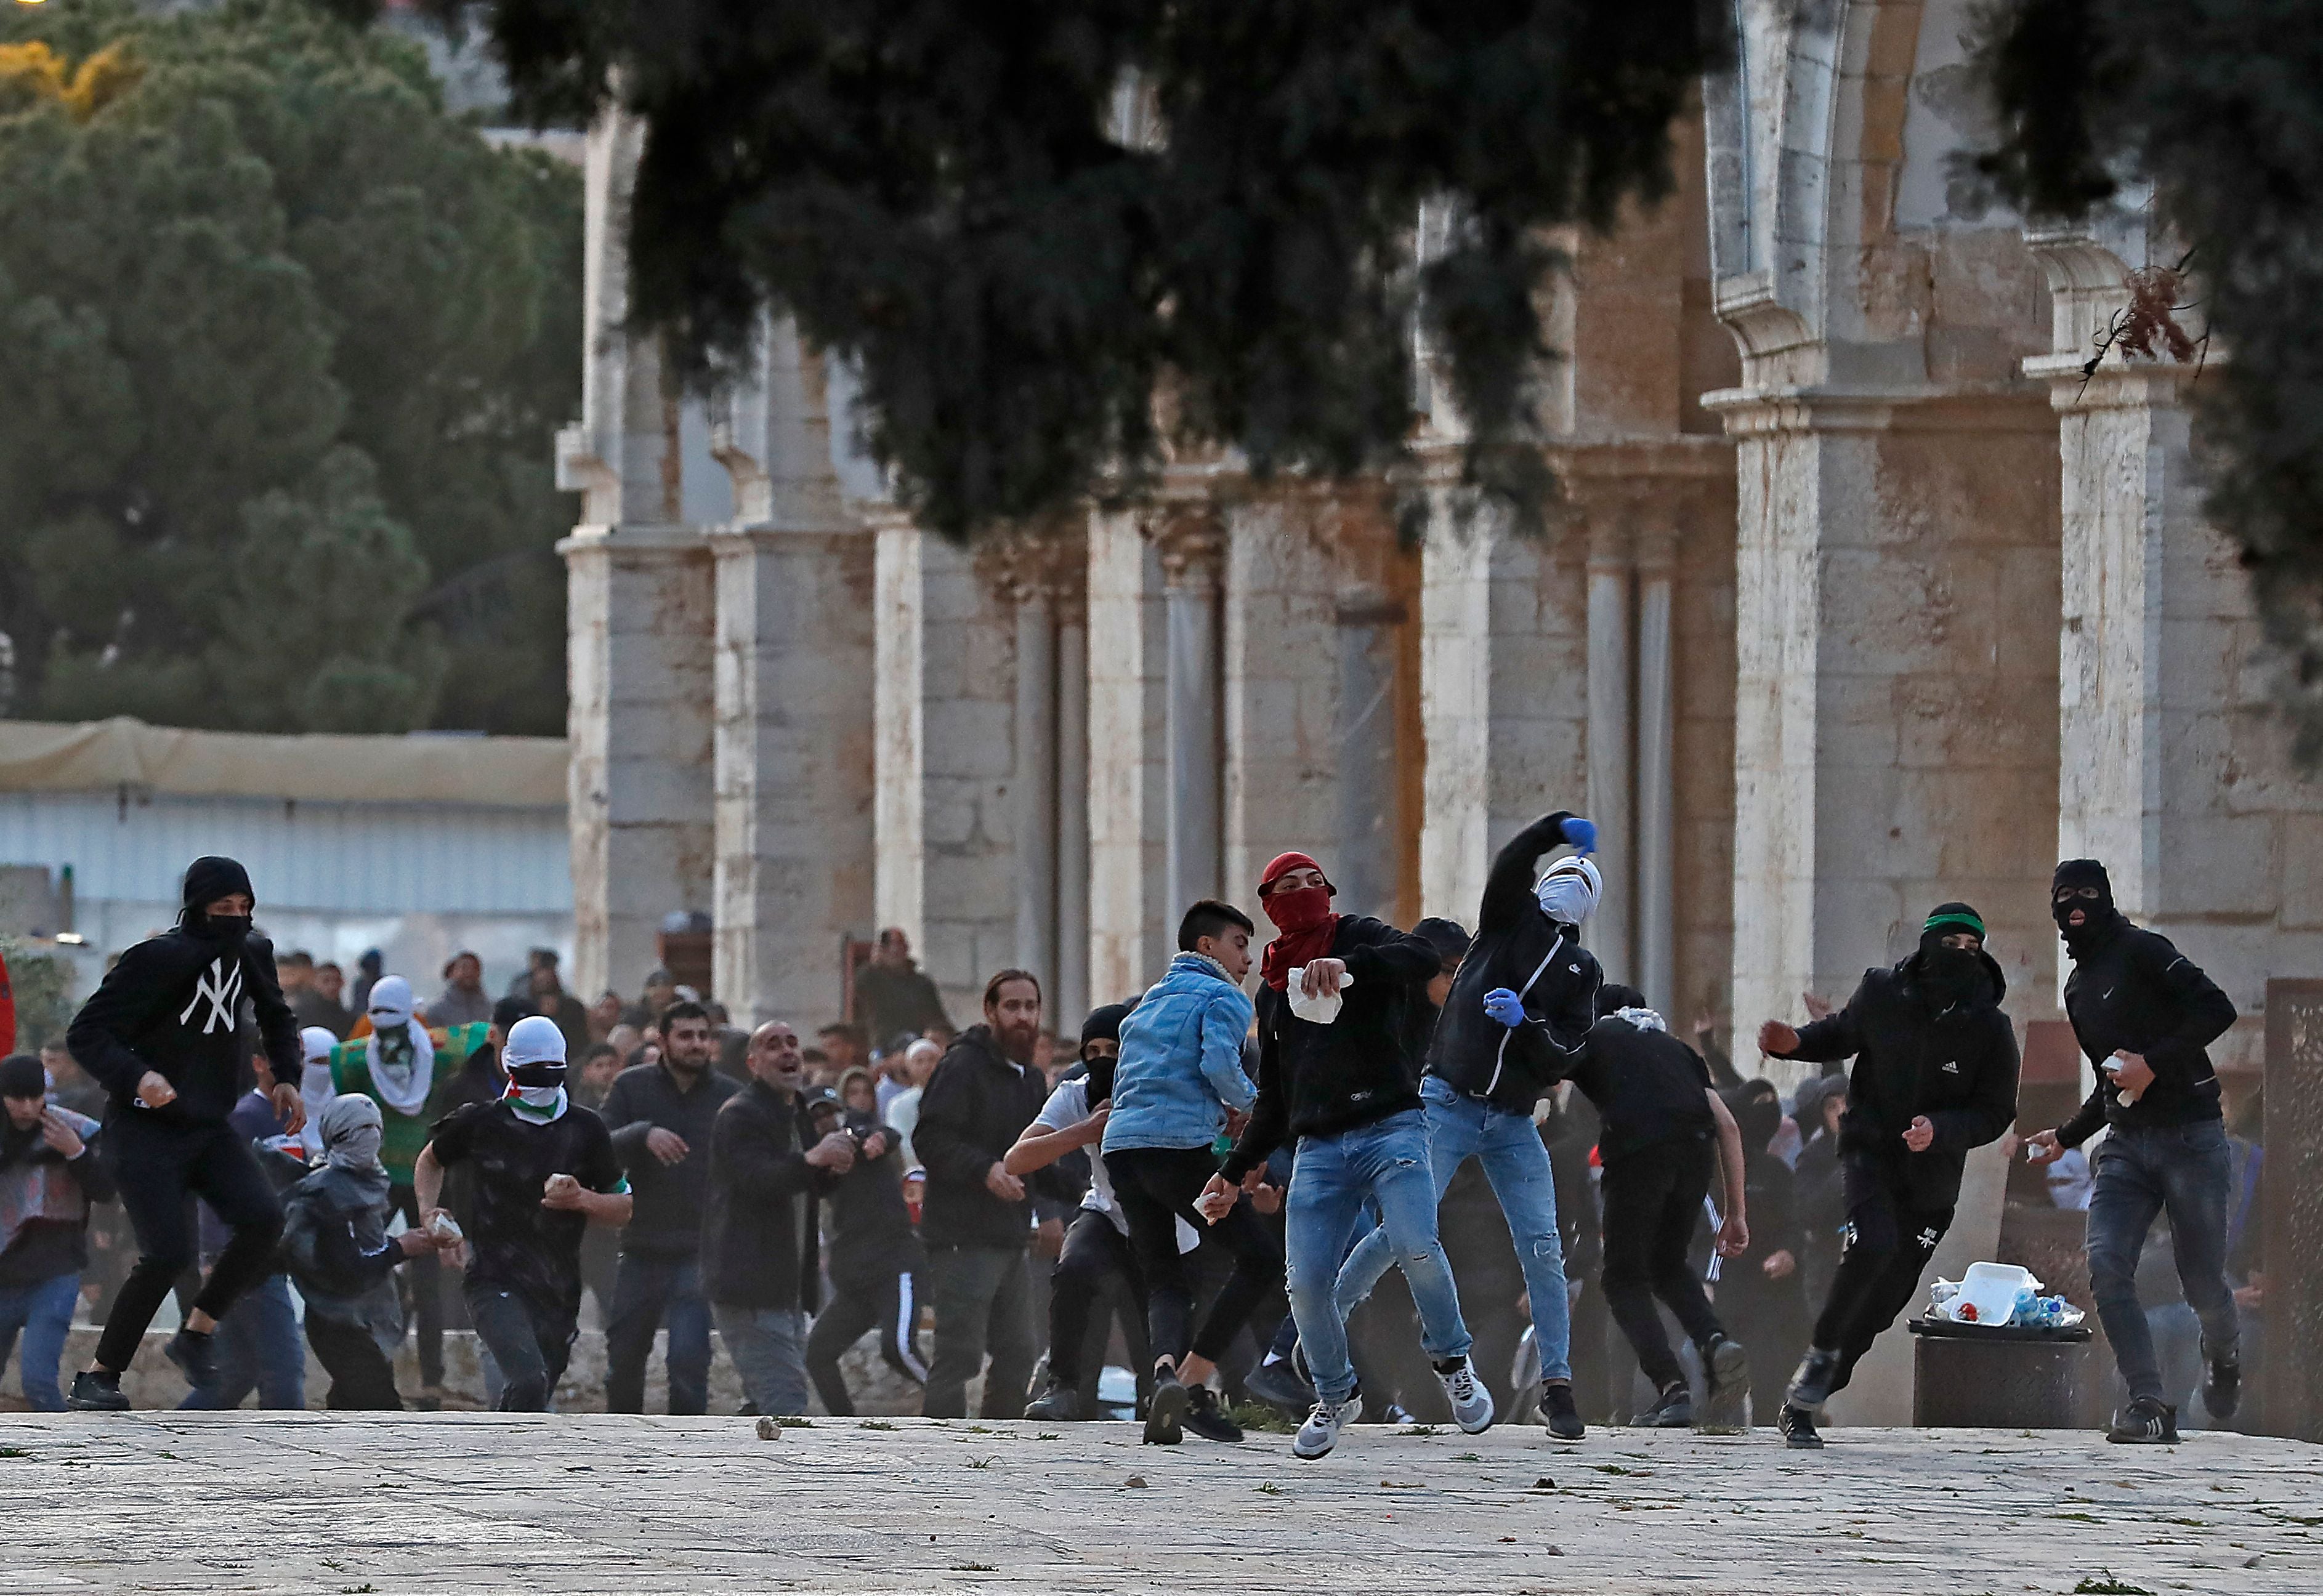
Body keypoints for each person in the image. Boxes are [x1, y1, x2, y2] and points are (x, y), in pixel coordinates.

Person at [1210, 852, 1487, 1460]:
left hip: (1392, 1126)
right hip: (1320, 1147)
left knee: (1416, 1244)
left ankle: (1452, 1362)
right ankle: (1335, 1396)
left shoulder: (1357, 934)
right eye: (1291, 885)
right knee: (1306, 1286)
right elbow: (1274, 1099)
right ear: (1270, 902)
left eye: (1315, 882)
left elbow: (1416, 957)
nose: (1305, 891)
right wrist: (1230, 1173)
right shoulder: (1273, 992)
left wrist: (1348, 965)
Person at [1338, 812, 1603, 1441]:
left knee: (1542, 1245)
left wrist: (1526, 1024)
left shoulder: (1580, 972)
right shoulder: (1507, 919)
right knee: (1402, 1225)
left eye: (1583, 884)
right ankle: (1323, 1322)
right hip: (1450, 1101)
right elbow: (1509, 864)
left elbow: (1568, 1049)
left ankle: (1557, 1387)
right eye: (1565, 875)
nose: (1571, 886)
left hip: (1512, 1119)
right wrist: (1551, 833)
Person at [1758, 901, 2019, 1449]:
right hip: (1870, 1152)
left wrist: (1943, 1129)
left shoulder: (1990, 1027)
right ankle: (1816, 1363)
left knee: (1886, 1300)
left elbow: (1996, 1112)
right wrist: (1797, 1044)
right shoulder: (1882, 992)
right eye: (1951, 945)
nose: (1961, 957)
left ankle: (1820, 1388)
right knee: (1871, 1246)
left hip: (1932, 1178)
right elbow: (1841, 1033)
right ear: (1928, 946)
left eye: (1973, 949)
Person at [63, 856, 307, 1411]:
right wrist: (137, 1076)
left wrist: (287, 1077)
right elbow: (87, 1033)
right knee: (168, 1252)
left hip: (207, 1123)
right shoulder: (157, 959)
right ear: (197, 907)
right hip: (143, 1129)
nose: (236, 919)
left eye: (245, 909)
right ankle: (99, 1376)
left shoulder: (253, 952)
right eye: (224, 909)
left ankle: (196, 1331)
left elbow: (276, 1017)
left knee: (264, 1220)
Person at [2024, 859, 2241, 1445]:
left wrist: (2154, 1062)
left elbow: (2217, 1009)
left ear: (2107, 898)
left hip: (2192, 1136)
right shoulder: (2076, 988)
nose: (2076, 906)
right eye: (2064, 896)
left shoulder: (2143, 951)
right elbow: (2109, 1079)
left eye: (2088, 894)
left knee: (2201, 1283)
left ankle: (2223, 1351)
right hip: (2125, 1145)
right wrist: (2067, 1135)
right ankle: (2147, 1401)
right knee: (2106, 1266)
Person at [1097, 905, 1283, 1445]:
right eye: (1240, 944)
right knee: (1259, 1257)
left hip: (1125, 1156)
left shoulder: (1146, 1004)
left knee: (1164, 1275)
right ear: (1207, 947)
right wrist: (1261, 1110)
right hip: (1178, 1153)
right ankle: (1195, 1378)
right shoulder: (1223, 996)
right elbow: (1221, 1067)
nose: (1248, 959)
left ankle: (1163, 1380)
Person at [415, 1016, 631, 1411]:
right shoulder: (480, 1121)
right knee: (526, 1380)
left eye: (550, 1075)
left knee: (536, 1393)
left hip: (557, 1288)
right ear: (509, 1066)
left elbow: (623, 1207)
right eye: (532, 1074)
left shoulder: (586, 1129)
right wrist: (429, 1214)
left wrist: (582, 1199)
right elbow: (430, 1160)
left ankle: (504, 1464)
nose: (541, 1086)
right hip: (493, 1277)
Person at [1561, 985, 1750, 1427]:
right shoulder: (1678, 1051)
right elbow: (1730, 1126)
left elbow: (1546, 1066)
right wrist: (1736, 1214)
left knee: (1622, 1278)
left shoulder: (1596, 1037)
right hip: (1695, 1154)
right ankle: (1715, 1340)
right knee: (1668, 1264)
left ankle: (1672, 1389)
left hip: (1640, 1153)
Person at [329, 975, 488, 1411]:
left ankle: (431, 1381)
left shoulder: (367, 1057)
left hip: (426, 1174)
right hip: (380, 1177)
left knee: (427, 1280)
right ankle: (363, 1373)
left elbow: (485, 1035)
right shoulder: (366, 1058)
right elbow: (480, 1035)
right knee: (367, 1272)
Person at [913, 969, 1051, 1420]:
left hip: (1010, 1236)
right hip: (962, 1236)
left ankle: (999, 1451)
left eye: (1030, 1007)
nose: (1022, 1017)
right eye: (1012, 1007)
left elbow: (1038, 1155)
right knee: (960, 1355)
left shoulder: (1029, 1078)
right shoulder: (962, 1066)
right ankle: (942, 1455)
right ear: (991, 1011)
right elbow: (930, 1139)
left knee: (1019, 1353)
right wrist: (985, 1169)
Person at [704, 1020, 859, 1415]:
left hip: (787, 1287)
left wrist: (832, 1171)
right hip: (750, 1286)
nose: (788, 1052)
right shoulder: (739, 1114)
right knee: (787, 1402)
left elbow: (806, 1182)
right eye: (774, 1046)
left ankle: (741, 1473)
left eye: (793, 1043)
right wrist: (815, 1158)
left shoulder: (799, 1112)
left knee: (767, 1400)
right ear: (754, 1064)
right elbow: (758, 1179)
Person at [599, 1000, 740, 1415]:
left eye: (703, 1036)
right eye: (686, 1035)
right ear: (662, 1041)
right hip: (640, 1247)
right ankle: (619, 1454)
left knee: (688, 1360)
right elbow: (598, 1143)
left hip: (699, 1252)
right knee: (622, 1361)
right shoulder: (631, 1087)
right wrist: (642, 1134)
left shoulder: (730, 1097)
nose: (696, 1045)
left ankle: (690, 1459)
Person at [1014, 1004, 1145, 1422]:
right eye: (1094, 1050)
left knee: (1154, 1322)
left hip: (1164, 1219)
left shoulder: (1160, 1087)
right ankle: (1063, 1387)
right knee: (1074, 1269)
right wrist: (1084, 1131)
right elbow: (1019, 1158)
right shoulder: (1078, 1092)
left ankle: (1164, 1395)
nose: (1104, 1059)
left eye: (1115, 1048)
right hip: (1105, 1210)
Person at [281, 1095, 442, 1409]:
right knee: (382, 1409)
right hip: (337, 1319)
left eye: (374, 1129)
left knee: (351, 1408)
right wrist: (400, 1248)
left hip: (367, 1315)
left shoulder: (369, 1181)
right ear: (333, 1135)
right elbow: (345, 1270)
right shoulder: (325, 1191)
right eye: (357, 1131)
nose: (368, 1139)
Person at [179, 1082, 307, 1411]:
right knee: (284, 1369)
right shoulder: (246, 1117)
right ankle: (287, 1454)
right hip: (248, 1262)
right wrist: (213, 1256)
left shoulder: (286, 1116)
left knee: (235, 1374)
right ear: (260, 1064)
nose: (298, 1067)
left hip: (266, 1257)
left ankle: (171, 1434)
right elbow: (215, 1187)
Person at [801, 1084, 927, 1415]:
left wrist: (876, 1141)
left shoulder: (859, 1136)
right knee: (818, 1353)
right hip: (856, 1277)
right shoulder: (815, 1163)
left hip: (893, 1265)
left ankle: (949, 1408)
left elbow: (886, 1135)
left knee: (898, 1348)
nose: (825, 1121)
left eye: (830, 1112)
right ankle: (847, 1426)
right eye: (817, 1116)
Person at [0, 1052, 113, 1411]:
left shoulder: (70, 1129)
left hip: (55, 1273)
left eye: (36, 1097)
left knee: (38, 1382)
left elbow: (106, 1190)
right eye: (17, 1098)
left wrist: (76, 1153)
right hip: (4, 1273)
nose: (28, 1108)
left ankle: (64, 1460)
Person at [1713, 1079, 1811, 1424]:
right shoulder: (1710, 1172)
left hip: (1768, 1293)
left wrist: (1788, 1253)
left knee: (1769, 1375)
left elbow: (1794, 1225)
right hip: (1720, 1289)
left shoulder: (1776, 1173)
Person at [854, 927, 952, 1045]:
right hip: (886, 1043)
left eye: (902, 944)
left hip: (921, 1042)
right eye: (894, 945)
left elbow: (937, 1017)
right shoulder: (871, 978)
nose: (898, 950)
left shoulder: (922, 983)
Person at [884, 1038, 942, 1166]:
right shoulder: (898, 1104)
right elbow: (901, 1142)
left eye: (931, 1060)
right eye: (919, 1061)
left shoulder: (954, 1097)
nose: (927, 1066)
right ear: (909, 1066)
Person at [430, 952, 495, 1029]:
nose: (469, 972)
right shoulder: (437, 1012)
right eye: (464, 968)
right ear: (452, 972)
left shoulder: (491, 1009)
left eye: (474, 968)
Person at [296, 962, 355, 1040]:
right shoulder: (301, 1014)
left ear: (342, 983)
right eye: (326, 981)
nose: (332, 986)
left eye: (337, 980)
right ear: (315, 983)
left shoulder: (349, 1020)